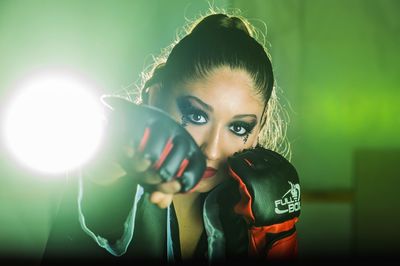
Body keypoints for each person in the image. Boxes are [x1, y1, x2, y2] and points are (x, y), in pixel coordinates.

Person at [41, 10, 301, 265]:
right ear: (156, 97)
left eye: (238, 128)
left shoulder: (247, 211)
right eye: (197, 116)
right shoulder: (123, 177)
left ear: (260, 128)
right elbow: (103, 176)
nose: (211, 150)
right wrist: (118, 148)